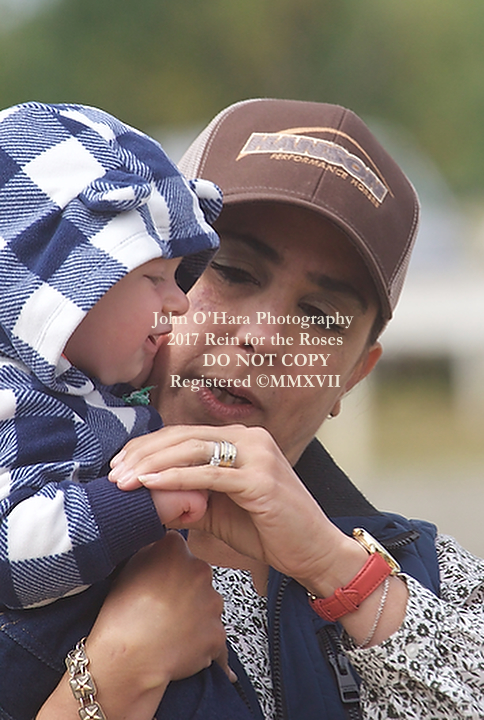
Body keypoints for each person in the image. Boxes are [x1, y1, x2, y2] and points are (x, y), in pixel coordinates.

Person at [36, 98, 484, 719]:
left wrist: (336, 570)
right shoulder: (23, 522)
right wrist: (118, 670)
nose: (264, 338)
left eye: (319, 316)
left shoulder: (431, 578)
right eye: (234, 272)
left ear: (355, 374)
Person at [0, 101, 230, 719]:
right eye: (154, 278)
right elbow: (10, 548)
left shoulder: (86, 395)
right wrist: (143, 505)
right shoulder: (13, 400)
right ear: (57, 286)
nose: (180, 302)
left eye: (179, 277)